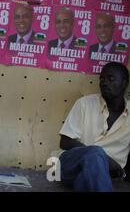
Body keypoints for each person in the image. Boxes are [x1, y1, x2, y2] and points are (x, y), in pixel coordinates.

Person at [55, 62, 130, 191]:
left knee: (85, 182)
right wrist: (104, 159)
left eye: (110, 79)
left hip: (103, 175)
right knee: (95, 153)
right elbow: (65, 142)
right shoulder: (85, 104)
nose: (104, 82)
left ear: (124, 83)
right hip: (70, 165)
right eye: (101, 79)